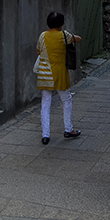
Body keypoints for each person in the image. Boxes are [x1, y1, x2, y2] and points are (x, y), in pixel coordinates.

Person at [37, 11, 81, 144]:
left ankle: (45, 134)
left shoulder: (42, 36)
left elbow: (38, 51)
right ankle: (68, 129)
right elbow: (78, 39)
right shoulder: (64, 35)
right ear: (61, 24)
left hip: (45, 73)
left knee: (45, 103)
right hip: (60, 73)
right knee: (66, 99)